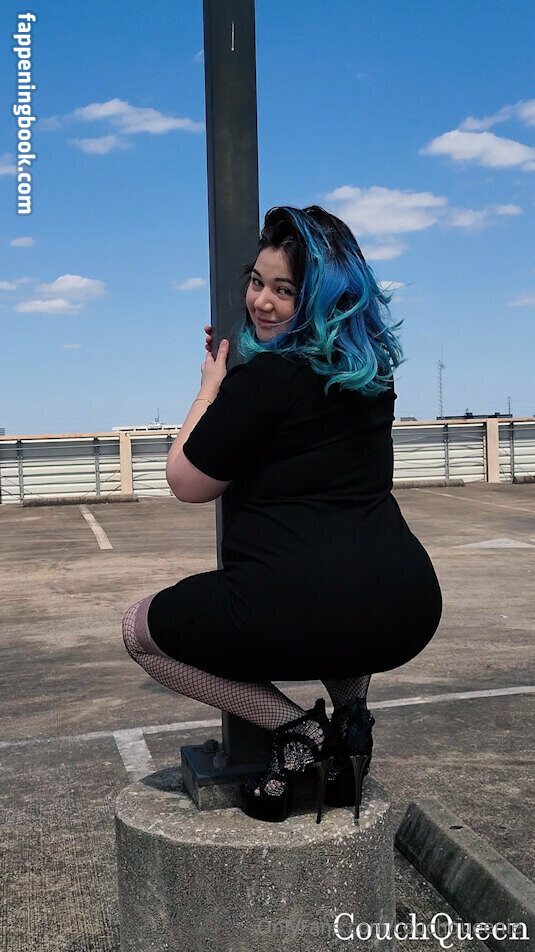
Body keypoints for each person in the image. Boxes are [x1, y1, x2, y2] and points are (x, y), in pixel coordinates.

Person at [122, 205, 442, 824]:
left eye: (285, 290)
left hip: (296, 605)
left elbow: (186, 480)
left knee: (140, 632)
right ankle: (350, 725)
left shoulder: (266, 378)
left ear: (321, 299)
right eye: (257, 282)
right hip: (406, 605)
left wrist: (210, 386)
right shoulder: (372, 380)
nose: (262, 302)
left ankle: (298, 731)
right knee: (341, 610)